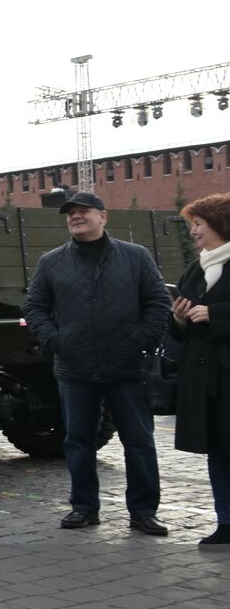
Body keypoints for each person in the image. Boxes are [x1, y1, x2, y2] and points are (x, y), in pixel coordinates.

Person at [23, 191, 170, 535]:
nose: (75, 217)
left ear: (103, 217)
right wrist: (57, 341)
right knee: (78, 442)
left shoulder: (135, 257)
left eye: (83, 211)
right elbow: (34, 307)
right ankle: (84, 508)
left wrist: (142, 340)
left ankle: (144, 511)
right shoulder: (52, 262)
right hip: (75, 369)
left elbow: (158, 301)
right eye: (70, 213)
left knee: (139, 442)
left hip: (127, 368)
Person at [170, 192, 230, 545]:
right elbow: (180, 326)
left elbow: (213, 313)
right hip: (205, 377)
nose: (193, 231)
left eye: (198, 224)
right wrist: (178, 319)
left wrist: (217, 314)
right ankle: (226, 522)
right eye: (191, 225)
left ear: (219, 224)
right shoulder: (196, 267)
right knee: (218, 450)